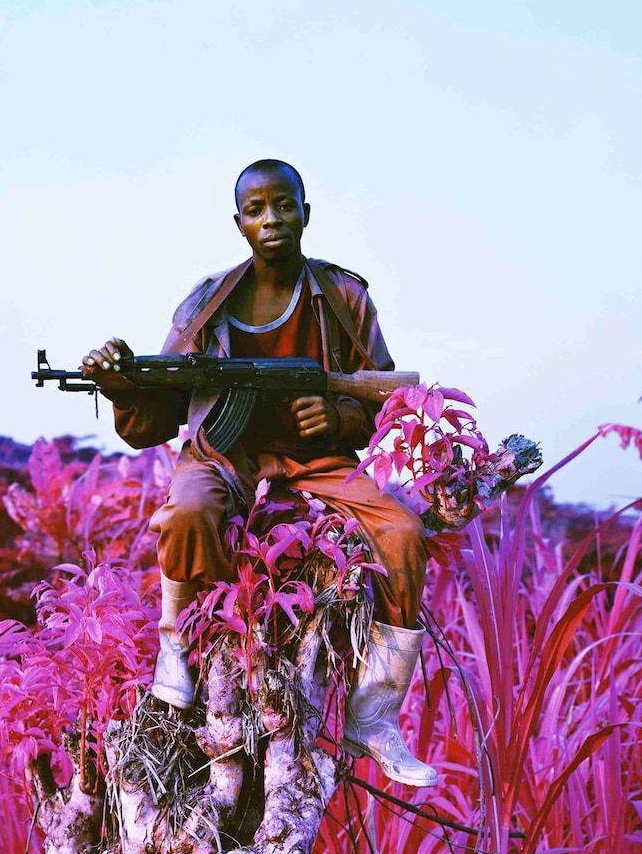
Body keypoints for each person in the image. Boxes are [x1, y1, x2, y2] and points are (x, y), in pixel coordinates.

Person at [81, 159, 437, 788]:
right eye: (255, 209)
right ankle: (183, 657)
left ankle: (375, 714)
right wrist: (119, 385)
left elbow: (388, 401)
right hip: (223, 453)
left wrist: (337, 414)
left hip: (318, 459)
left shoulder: (345, 297)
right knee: (187, 512)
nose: (271, 219)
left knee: (404, 533)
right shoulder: (206, 302)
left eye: (283, 205)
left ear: (305, 211)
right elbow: (154, 419)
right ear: (239, 222)